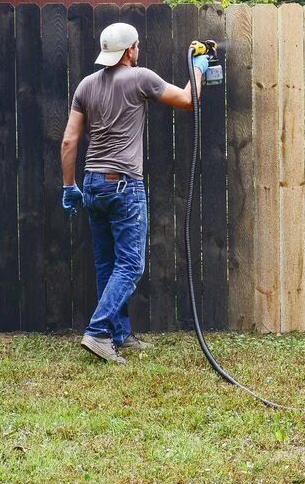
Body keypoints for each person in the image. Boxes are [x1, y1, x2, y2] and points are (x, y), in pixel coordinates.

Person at [60, 21, 208, 363]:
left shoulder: (85, 85)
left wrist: (69, 187)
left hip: (93, 184)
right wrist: (199, 67)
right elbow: (188, 99)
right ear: (130, 50)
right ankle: (98, 333)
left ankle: (119, 334)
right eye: (137, 46)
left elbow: (69, 140)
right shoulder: (140, 77)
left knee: (106, 264)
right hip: (124, 184)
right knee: (130, 265)